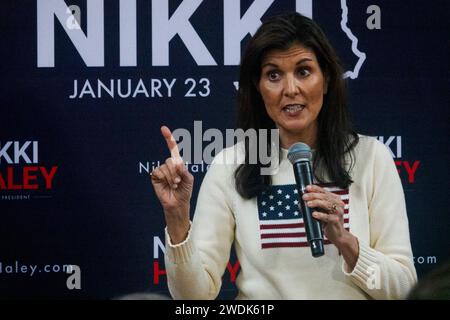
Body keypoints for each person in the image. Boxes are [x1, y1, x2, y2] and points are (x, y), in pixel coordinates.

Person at [150, 12, 417, 299]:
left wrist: (347, 243)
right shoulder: (230, 166)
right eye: (274, 75)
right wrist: (177, 219)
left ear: (326, 80)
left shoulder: (372, 158)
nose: (290, 90)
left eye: (303, 71)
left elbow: (402, 289)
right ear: (258, 87)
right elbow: (193, 299)